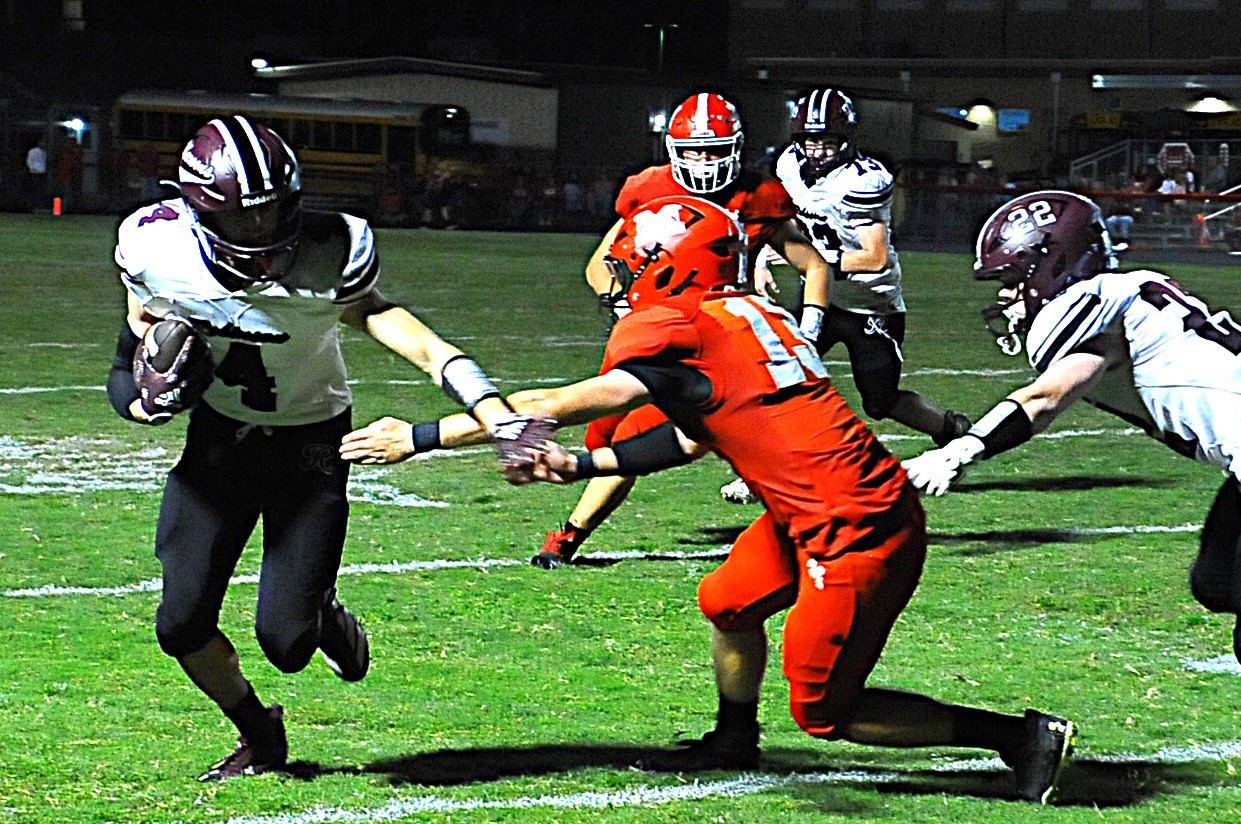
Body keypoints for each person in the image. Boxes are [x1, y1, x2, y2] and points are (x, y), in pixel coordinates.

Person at [340, 194, 1077, 804]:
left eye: (632, 261)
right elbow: (692, 440)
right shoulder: (747, 314)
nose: (620, 276)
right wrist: (585, 464)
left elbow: (544, 405)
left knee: (825, 711)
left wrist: (420, 435)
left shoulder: (677, 329)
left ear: (665, 266)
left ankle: (1019, 738)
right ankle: (733, 738)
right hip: (815, 508)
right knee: (728, 601)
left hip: (854, 528)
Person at [107, 114, 527, 782]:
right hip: (220, 440)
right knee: (180, 624)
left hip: (310, 441)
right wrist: (141, 402)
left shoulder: (332, 248)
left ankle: (319, 613)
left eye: (274, 210)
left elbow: (416, 340)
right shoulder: (156, 247)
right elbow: (133, 346)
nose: (261, 229)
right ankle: (259, 733)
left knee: (287, 643)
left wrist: (491, 408)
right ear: (199, 211)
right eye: (243, 216)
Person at [902, 189, 1241, 663]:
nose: (1004, 295)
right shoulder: (1129, 295)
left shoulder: (1096, 309)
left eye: (1012, 279)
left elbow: (1045, 398)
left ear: (1053, 264)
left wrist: (961, 450)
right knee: (1216, 581)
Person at [529, 92, 828, 565]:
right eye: (693, 151)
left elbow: (814, 264)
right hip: (652, 329)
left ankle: (568, 536)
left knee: (676, 435)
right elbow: (600, 264)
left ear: (736, 148)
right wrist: (626, 308)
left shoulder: (758, 196)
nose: (704, 161)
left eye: (713, 150)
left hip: (716, 340)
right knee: (604, 436)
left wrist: (809, 330)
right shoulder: (650, 188)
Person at [772, 87, 971, 458]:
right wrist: (770, 253)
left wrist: (815, 261)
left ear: (847, 139)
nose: (817, 151)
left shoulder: (863, 180)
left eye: (827, 142)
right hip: (823, 297)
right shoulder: (789, 166)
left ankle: (952, 429)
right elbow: (787, 220)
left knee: (880, 401)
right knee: (783, 377)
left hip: (872, 305)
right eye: (810, 141)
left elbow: (874, 257)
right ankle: (773, 465)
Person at [25, 139, 47, 210]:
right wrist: (33, 169)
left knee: (40, 191)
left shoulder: (44, 152)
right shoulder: (33, 151)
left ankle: (39, 206)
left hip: (41, 173)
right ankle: (34, 206)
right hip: (35, 173)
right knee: (35, 190)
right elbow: (29, 162)